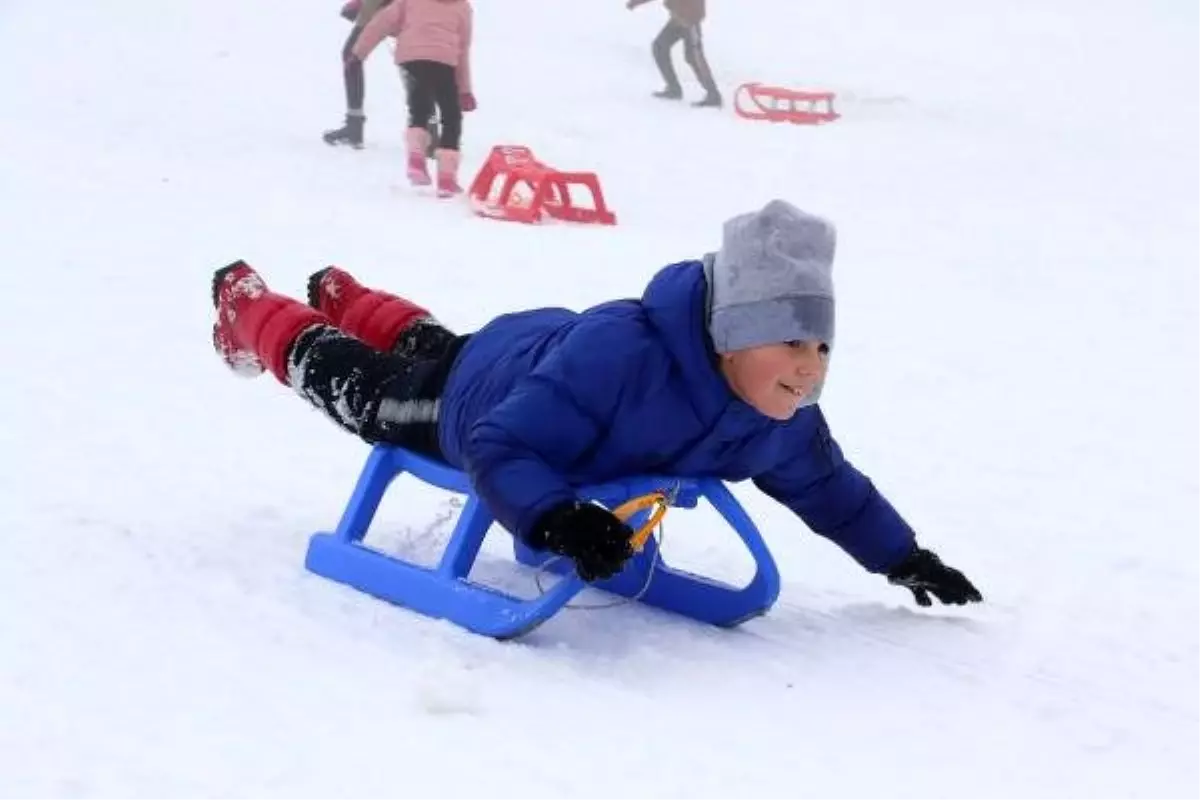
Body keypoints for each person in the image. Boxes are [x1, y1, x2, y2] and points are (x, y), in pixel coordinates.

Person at [208, 199, 983, 606]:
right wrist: (557, 518)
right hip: (478, 403)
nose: (810, 370)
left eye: (822, 347)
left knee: (436, 346)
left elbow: (829, 489)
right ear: (730, 338)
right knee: (371, 393)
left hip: (526, 353)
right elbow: (500, 447)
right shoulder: (624, 362)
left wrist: (902, 556)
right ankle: (256, 316)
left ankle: (350, 295)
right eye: (791, 344)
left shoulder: (776, 415)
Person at [349, 0, 477, 196]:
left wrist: (358, 53)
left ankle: (416, 161)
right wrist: (465, 90)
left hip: (412, 58)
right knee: (451, 117)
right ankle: (446, 179)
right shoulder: (462, 7)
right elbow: (463, 49)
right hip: (444, 62)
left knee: (419, 110)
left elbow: (380, 23)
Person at [626, 0, 722, 108]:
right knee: (660, 47)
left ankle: (713, 94)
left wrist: (691, 18)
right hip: (678, 17)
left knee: (694, 56)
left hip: (690, 19)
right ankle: (673, 88)